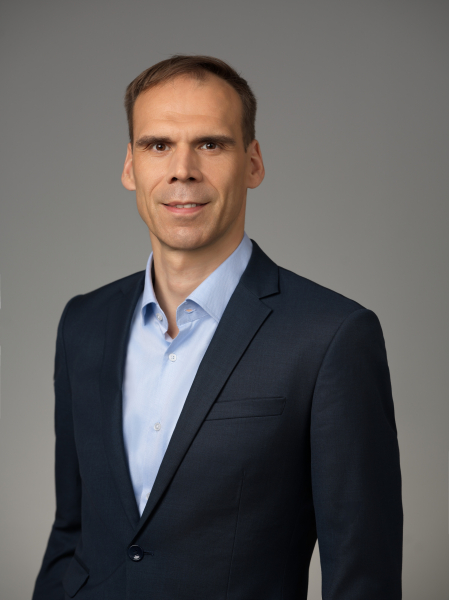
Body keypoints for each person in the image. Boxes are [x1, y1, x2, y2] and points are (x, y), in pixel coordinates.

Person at [32, 55, 403, 600]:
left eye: (210, 144)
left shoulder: (331, 336)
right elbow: (72, 531)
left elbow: (362, 572)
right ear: (130, 166)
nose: (182, 169)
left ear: (252, 163)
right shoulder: (83, 323)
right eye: (158, 145)